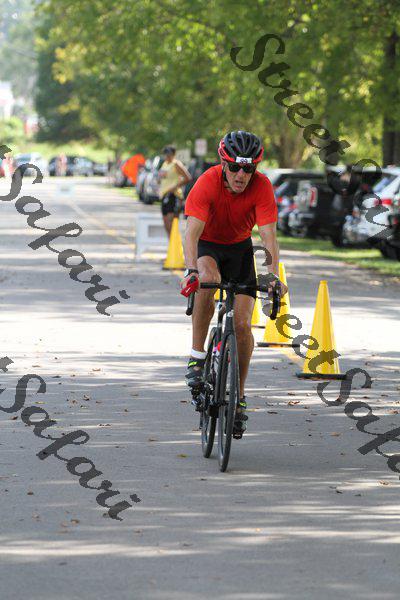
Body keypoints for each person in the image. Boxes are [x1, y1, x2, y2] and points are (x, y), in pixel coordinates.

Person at [181, 130, 288, 438]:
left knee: (242, 326)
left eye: (248, 168)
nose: (242, 175)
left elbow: (268, 237)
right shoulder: (207, 182)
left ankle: (238, 395)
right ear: (224, 164)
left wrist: (272, 276)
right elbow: (191, 234)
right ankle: (197, 355)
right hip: (208, 245)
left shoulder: (262, 186)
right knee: (209, 280)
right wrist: (191, 270)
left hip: (240, 250)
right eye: (235, 167)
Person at [158, 146, 191, 235]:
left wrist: (175, 187)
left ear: (173, 155)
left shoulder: (176, 164)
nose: (167, 156)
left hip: (173, 195)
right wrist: (159, 179)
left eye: (169, 155)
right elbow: (163, 178)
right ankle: (171, 242)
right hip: (164, 194)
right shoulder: (165, 164)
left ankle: (175, 242)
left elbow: (188, 177)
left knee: (171, 221)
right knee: (165, 222)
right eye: (165, 154)